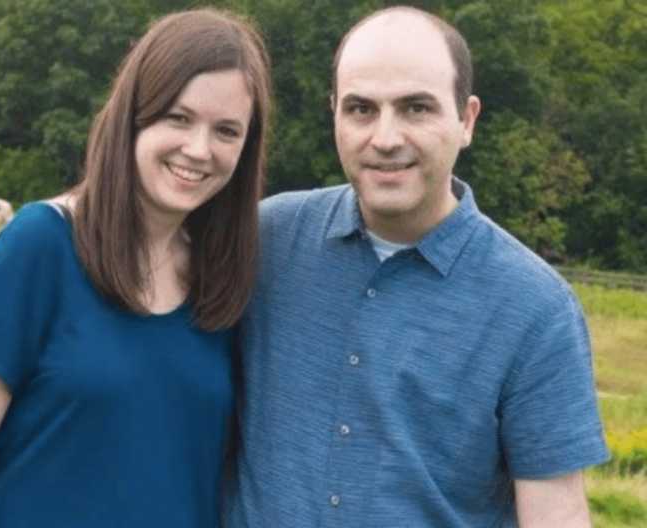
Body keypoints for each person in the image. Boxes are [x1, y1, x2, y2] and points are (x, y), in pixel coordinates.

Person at [225, 6, 607, 527]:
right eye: (361, 108)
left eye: (416, 108)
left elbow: (555, 512)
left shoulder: (537, 310)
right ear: (333, 112)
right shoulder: (264, 241)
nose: (385, 138)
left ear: (466, 120)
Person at [0, 8, 271, 527]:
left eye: (226, 131)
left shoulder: (222, 278)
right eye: (178, 118)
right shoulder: (42, 243)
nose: (199, 150)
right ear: (134, 112)